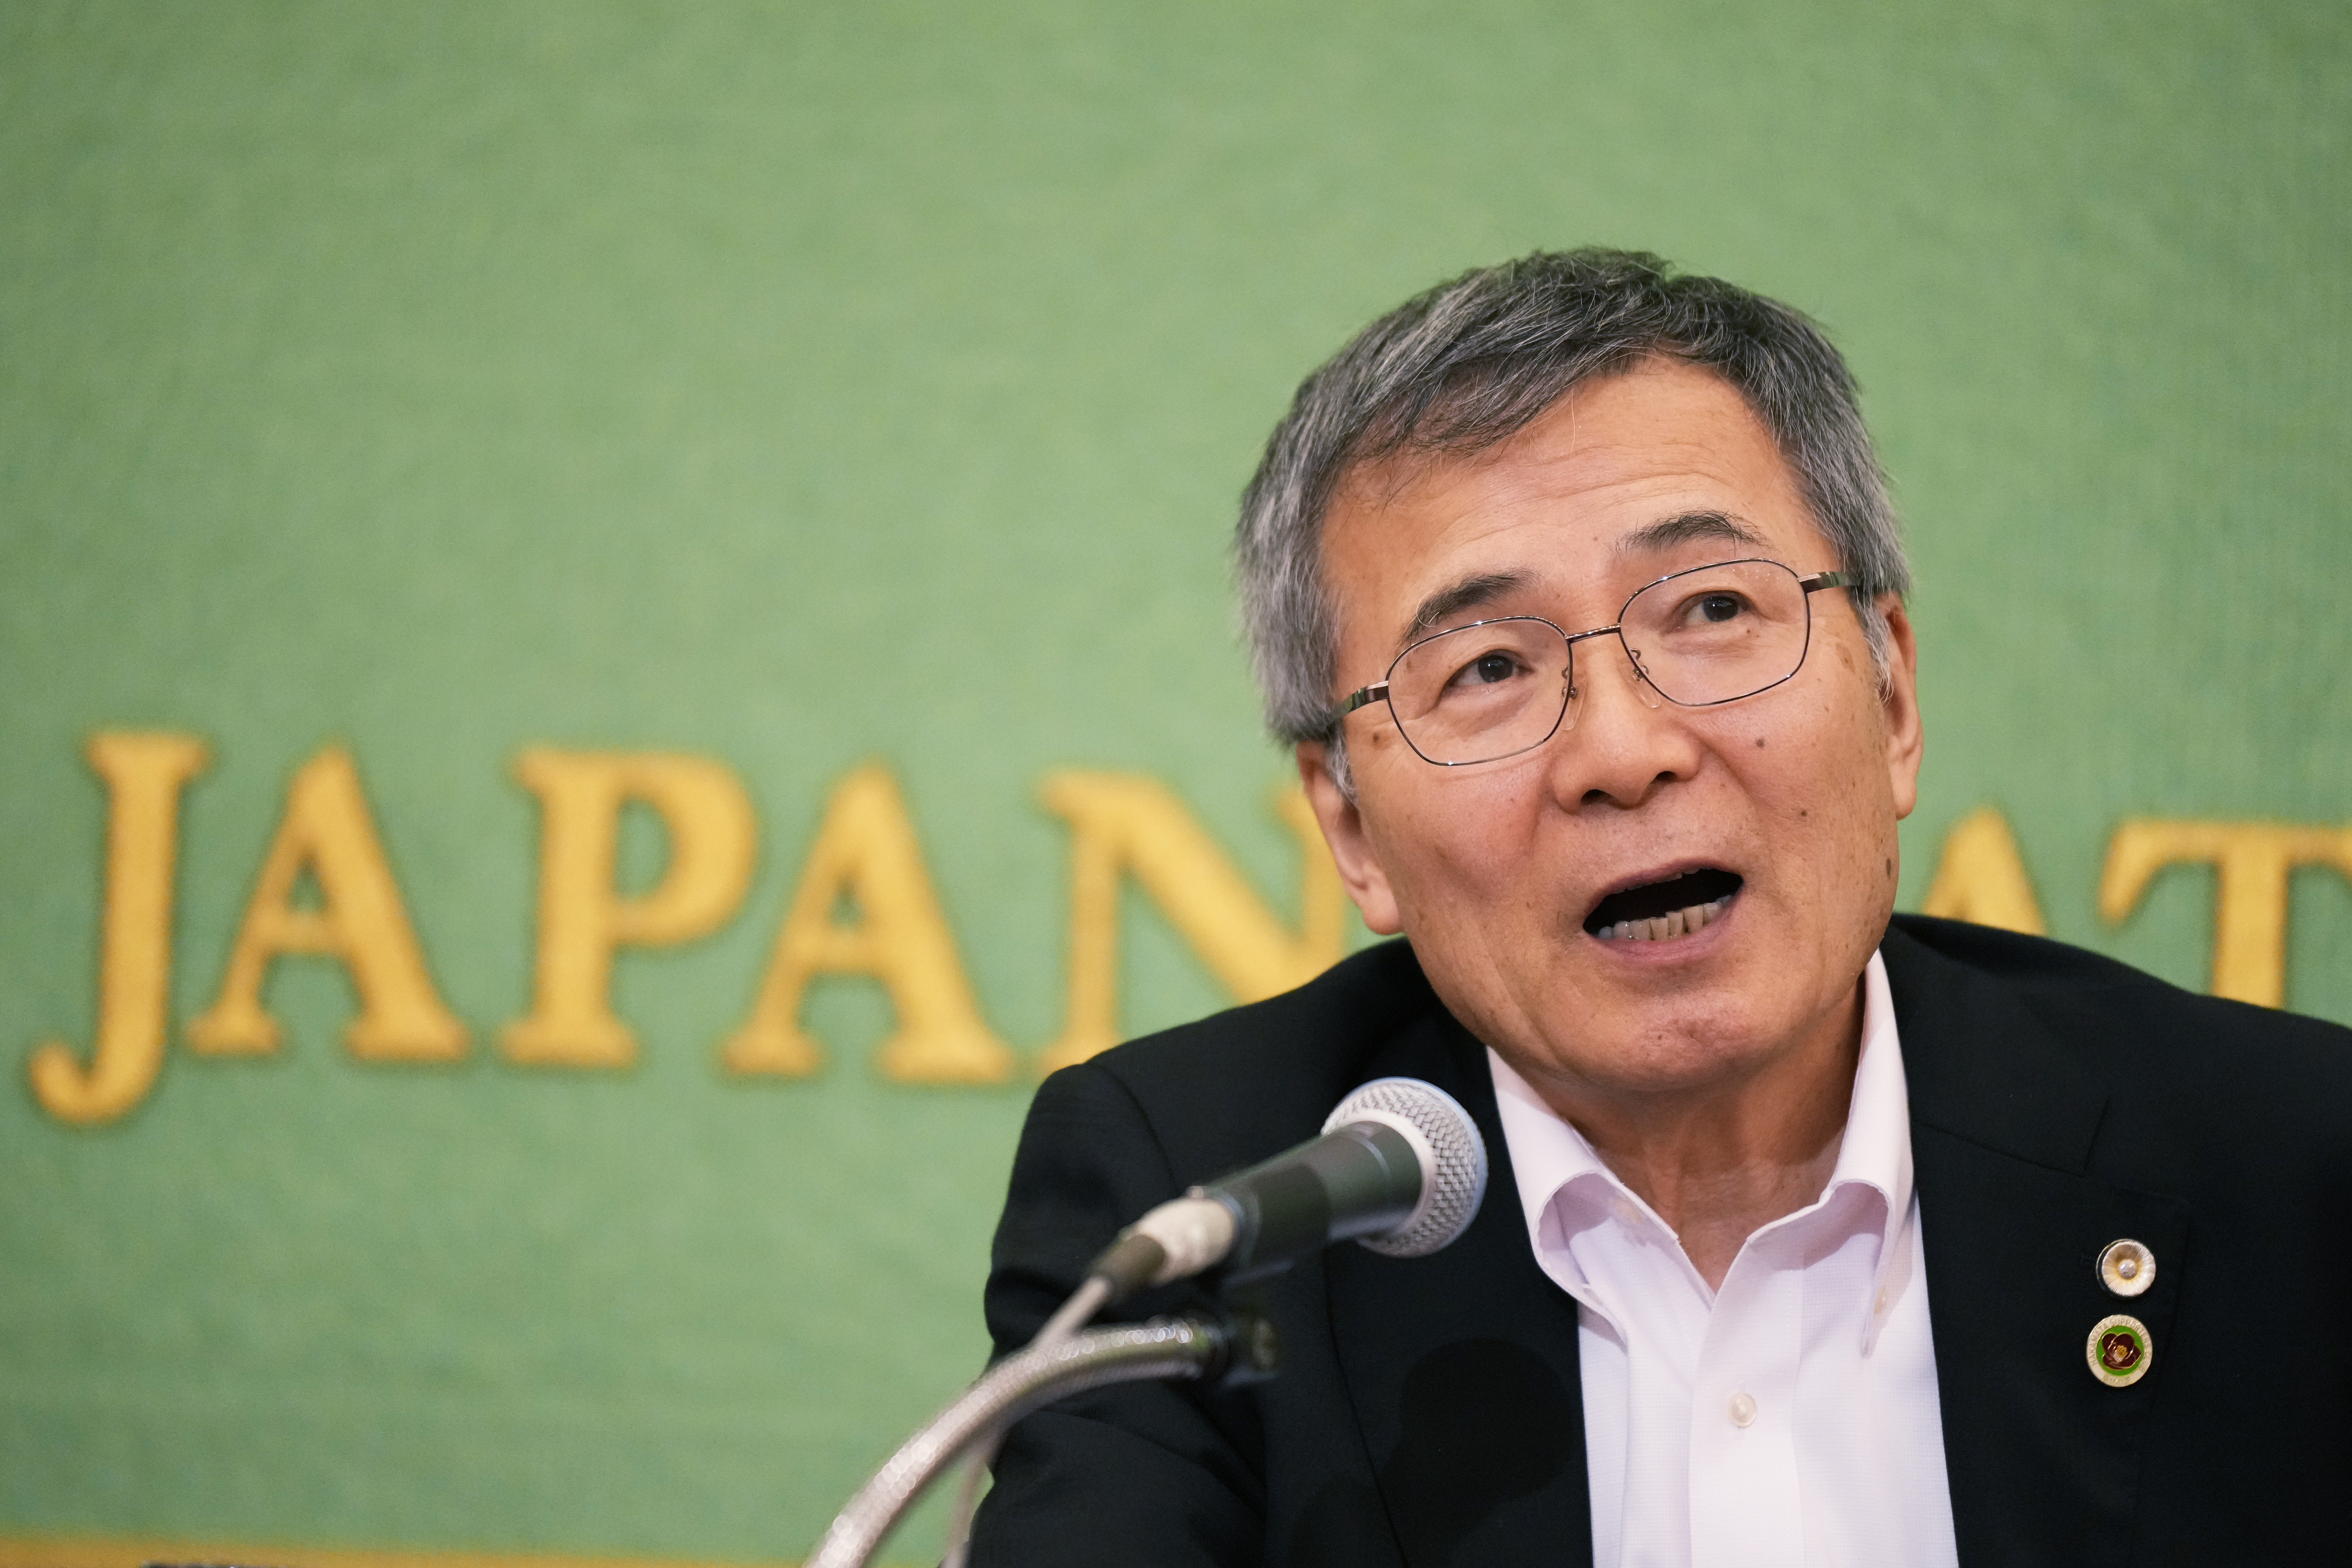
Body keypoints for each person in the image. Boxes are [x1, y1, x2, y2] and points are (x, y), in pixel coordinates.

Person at [967, 250, 2352, 1567]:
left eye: (1708, 610)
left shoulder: (2286, 1166)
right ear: (1350, 827)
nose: (1624, 752)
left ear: (1892, 697)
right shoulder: (1210, 1212)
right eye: (1490, 668)